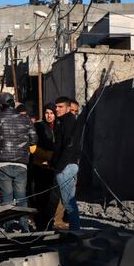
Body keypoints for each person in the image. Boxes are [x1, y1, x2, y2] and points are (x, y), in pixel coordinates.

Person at [0, 92, 37, 232]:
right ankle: (24, 226)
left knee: (7, 197)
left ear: (1, 105)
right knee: (21, 197)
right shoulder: (25, 119)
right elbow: (34, 139)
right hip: (21, 163)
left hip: (1, 162)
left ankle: (8, 227)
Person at [50, 96, 81, 230]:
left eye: (60, 107)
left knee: (68, 201)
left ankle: (75, 231)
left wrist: (60, 166)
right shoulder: (63, 121)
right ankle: (75, 229)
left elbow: (69, 145)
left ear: (68, 108)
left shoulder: (68, 121)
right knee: (68, 200)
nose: (57, 109)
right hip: (67, 165)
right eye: (56, 106)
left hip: (66, 166)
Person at [31, 103, 58, 229]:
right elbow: (33, 148)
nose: (49, 116)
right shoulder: (38, 126)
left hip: (54, 166)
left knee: (52, 198)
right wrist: (49, 156)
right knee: (40, 196)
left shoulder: (59, 126)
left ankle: (49, 222)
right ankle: (40, 223)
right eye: (47, 113)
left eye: (51, 113)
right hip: (40, 165)